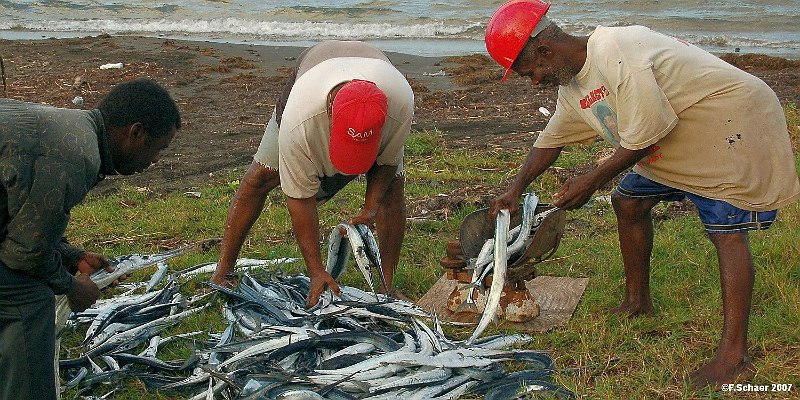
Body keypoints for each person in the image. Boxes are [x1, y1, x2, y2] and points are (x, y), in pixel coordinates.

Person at [484, 0, 800, 388]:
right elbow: (551, 139)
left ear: (545, 51)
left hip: (727, 122)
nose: (533, 81)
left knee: (727, 231)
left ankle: (734, 357)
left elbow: (646, 132)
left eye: (530, 72)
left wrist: (591, 179)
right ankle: (637, 303)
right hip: (676, 136)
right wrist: (516, 189)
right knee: (628, 201)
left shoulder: (618, 51)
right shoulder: (573, 85)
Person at [0, 78, 181, 400]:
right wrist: (71, 286)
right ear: (135, 133)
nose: (155, 160)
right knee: (29, 299)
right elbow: (24, 256)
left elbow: (19, 215)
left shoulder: (69, 127)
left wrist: (70, 255)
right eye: (159, 148)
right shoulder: (73, 158)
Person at [210, 41, 414, 308]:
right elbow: (300, 199)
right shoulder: (299, 119)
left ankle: (386, 287)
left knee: (392, 190)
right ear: (330, 113)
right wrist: (316, 270)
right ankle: (223, 271)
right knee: (260, 177)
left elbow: (386, 164)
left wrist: (371, 208)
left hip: (375, 71)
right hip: (313, 69)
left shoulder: (401, 103)